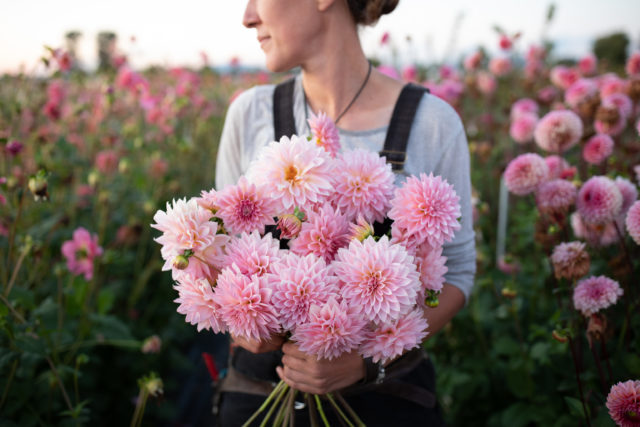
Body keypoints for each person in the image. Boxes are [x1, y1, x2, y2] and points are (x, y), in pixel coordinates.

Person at [214, 0, 476, 425]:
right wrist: (243, 316)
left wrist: (367, 359)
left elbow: (459, 271)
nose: (247, 16)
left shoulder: (432, 123)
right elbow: (220, 250)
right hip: (259, 394)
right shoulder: (251, 114)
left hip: (385, 401)